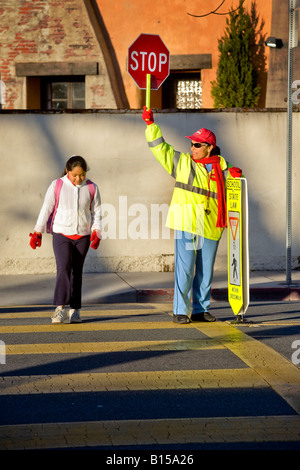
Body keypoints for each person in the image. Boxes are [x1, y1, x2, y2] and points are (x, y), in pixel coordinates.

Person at [142, 107, 242, 324]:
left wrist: (237, 176)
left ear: (209, 148)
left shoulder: (224, 168)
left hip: (212, 224)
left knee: (205, 272)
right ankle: (180, 310)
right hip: (188, 220)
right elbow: (161, 149)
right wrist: (151, 125)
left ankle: (200, 309)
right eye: (191, 143)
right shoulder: (183, 162)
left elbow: (236, 191)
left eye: (197, 144)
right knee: (185, 268)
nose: (192, 147)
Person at [29, 156, 102, 324]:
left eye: (82, 175)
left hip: (82, 236)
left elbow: (96, 212)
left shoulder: (92, 187)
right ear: (67, 171)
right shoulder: (57, 185)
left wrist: (96, 231)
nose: (78, 179)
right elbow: (46, 208)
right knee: (63, 269)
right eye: (74, 175)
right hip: (61, 234)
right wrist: (37, 231)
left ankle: (75, 310)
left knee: (77, 272)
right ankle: (60, 308)